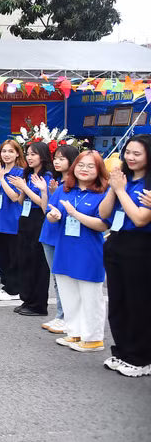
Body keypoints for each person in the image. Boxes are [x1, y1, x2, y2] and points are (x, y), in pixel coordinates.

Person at [98, 134, 151, 377]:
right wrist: (114, 186)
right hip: (116, 242)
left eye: (136, 153)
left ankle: (140, 357)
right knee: (118, 302)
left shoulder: (147, 184)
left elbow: (140, 218)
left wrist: (121, 190)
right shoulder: (123, 180)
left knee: (137, 303)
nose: (130, 157)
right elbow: (104, 213)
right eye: (127, 152)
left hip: (140, 247)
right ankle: (122, 351)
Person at [46, 150, 109, 353]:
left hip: (88, 252)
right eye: (81, 165)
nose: (84, 169)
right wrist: (54, 215)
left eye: (91, 166)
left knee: (90, 296)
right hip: (65, 249)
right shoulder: (64, 189)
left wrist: (75, 214)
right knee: (68, 292)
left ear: (99, 170)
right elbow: (50, 213)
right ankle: (74, 332)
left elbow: (102, 225)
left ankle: (93, 338)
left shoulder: (104, 193)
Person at [8, 141, 54, 317]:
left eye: (33, 154)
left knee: (38, 263)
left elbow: (45, 204)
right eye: (27, 154)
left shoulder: (47, 176)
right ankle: (27, 299)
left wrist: (25, 187)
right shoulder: (27, 174)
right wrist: (21, 189)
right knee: (25, 260)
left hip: (39, 220)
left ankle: (38, 304)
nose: (29, 157)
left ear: (42, 156)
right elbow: (21, 201)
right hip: (25, 218)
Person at [38, 144, 79, 334]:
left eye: (62, 158)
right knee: (56, 278)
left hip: (65, 236)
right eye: (55, 157)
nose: (56, 161)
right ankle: (61, 315)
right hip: (49, 233)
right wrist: (47, 193)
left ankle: (66, 316)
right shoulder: (56, 183)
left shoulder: (77, 185)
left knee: (66, 277)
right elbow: (46, 209)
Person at [0, 140, 27, 302]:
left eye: (11, 151)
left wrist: (2, 179)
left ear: (18, 153)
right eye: (4, 151)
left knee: (13, 256)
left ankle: (14, 288)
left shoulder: (20, 173)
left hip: (12, 220)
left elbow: (15, 197)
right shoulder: (0, 170)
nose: (6, 154)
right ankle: (6, 285)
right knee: (1, 255)